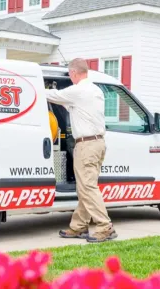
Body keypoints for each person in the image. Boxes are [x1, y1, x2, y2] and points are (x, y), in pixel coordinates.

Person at [45, 58, 117, 243]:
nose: (70, 77)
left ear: (74, 73)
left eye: (70, 74)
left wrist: (35, 87)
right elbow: (72, 106)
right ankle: (78, 227)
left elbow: (53, 95)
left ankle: (104, 226)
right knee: (85, 186)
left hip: (86, 145)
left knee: (87, 187)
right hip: (98, 144)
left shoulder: (78, 90)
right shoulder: (94, 90)